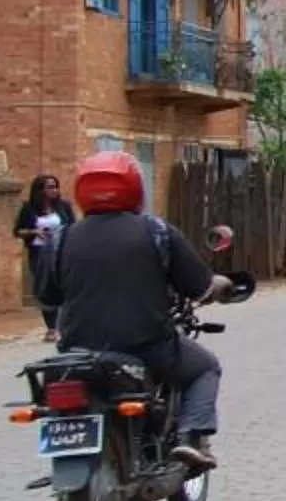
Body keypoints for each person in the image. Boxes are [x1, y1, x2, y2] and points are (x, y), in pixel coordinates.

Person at [38, 153, 228, 469]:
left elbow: (47, 295)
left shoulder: (61, 238)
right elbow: (199, 287)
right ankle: (191, 438)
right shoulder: (156, 232)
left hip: (77, 352)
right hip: (147, 347)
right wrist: (218, 285)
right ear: (134, 187)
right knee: (206, 368)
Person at [11, 173, 73, 338]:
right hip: (39, 253)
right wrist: (35, 231)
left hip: (61, 252)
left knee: (65, 286)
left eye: (56, 186)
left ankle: (65, 324)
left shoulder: (63, 206)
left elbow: (73, 227)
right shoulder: (29, 208)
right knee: (44, 288)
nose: (55, 190)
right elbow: (18, 231)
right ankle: (51, 327)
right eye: (50, 187)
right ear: (40, 190)